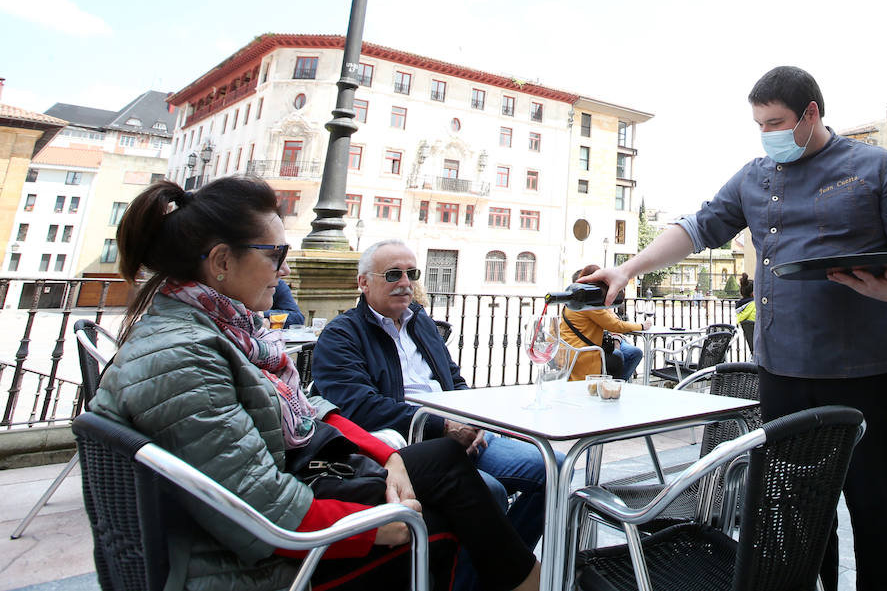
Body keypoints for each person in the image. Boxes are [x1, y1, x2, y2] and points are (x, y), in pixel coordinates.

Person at [582, 66, 887, 591]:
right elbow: (698, 226)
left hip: (866, 373)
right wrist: (629, 268)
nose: (767, 133)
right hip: (784, 373)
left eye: (776, 121)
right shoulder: (754, 176)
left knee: (878, 510)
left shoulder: (876, 166)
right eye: (759, 123)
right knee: (795, 516)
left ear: (811, 114)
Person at [88, 178, 538, 591]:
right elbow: (265, 510)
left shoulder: (220, 329)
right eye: (276, 255)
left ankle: (521, 580)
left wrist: (390, 456)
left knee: (446, 467)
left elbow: (308, 410)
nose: (285, 271)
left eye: (411, 275)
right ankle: (524, 580)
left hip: (294, 486)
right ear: (223, 261)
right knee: (456, 516)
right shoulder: (186, 356)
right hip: (245, 565)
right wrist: (377, 525)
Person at [311, 238, 555, 565]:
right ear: (363, 282)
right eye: (393, 275)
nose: (405, 283)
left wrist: (474, 418)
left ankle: (499, 573)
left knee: (555, 468)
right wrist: (443, 427)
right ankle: (493, 572)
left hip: (464, 432)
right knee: (490, 491)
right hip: (409, 445)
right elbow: (359, 407)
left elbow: (452, 378)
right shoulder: (342, 334)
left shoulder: (421, 321)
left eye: (412, 273)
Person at [558, 264, 645, 380]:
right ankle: (614, 385)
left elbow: (612, 322)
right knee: (623, 355)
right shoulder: (589, 303)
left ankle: (615, 385)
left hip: (569, 350)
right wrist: (642, 326)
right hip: (583, 352)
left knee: (633, 352)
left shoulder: (574, 301)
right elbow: (615, 325)